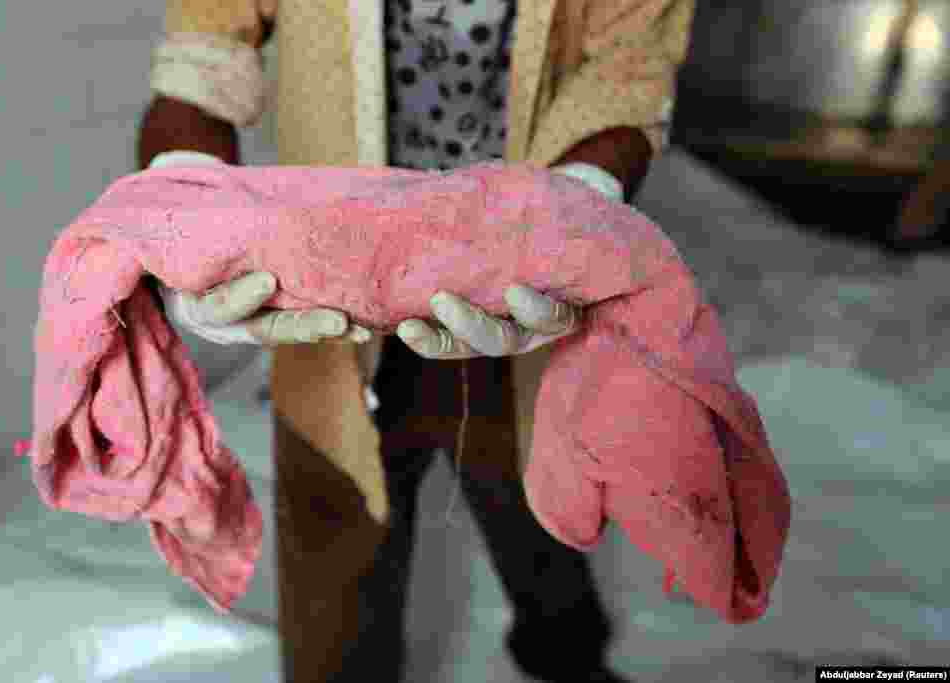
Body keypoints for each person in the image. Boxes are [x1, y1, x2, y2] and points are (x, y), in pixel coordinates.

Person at [137, 2, 694, 681]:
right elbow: (201, 61)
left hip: (508, 288)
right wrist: (191, 219)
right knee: (333, 513)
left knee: (538, 493)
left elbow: (627, 74)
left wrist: (573, 209)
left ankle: (566, 651)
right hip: (335, 312)